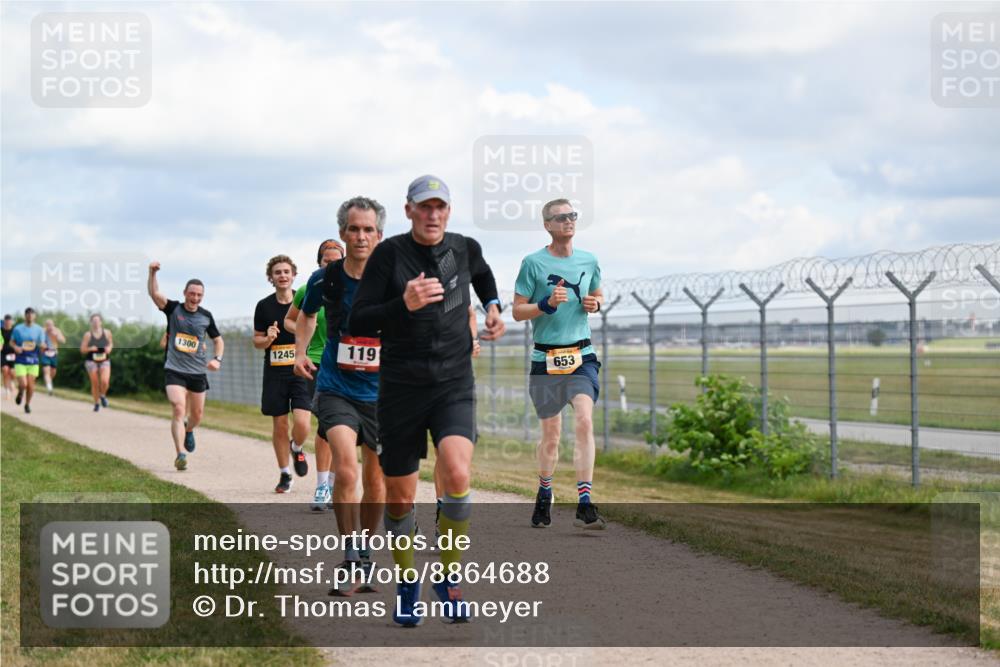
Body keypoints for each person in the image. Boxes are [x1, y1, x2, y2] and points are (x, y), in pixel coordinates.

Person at [350, 175, 506, 626]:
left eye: (440, 207)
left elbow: (482, 276)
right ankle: (406, 583)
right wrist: (404, 303)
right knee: (399, 498)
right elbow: (361, 319)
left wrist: (493, 306)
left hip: (453, 382)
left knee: (457, 472)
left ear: (449, 212)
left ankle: (449, 576)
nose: (433, 214)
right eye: (424, 207)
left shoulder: (464, 247)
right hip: (400, 388)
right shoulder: (388, 255)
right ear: (409, 211)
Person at [294, 197, 389, 596]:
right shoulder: (325, 278)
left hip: (384, 392)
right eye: (354, 229)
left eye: (368, 229)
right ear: (342, 233)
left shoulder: (394, 277)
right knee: (346, 467)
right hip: (336, 387)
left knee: (377, 477)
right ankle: (350, 556)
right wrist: (300, 352)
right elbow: (306, 315)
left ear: (380, 235)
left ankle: (365, 552)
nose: (361, 236)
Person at [512, 199, 606, 530]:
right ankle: (545, 490)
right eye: (561, 217)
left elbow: (596, 294)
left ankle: (584, 501)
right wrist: (546, 303)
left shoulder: (589, 259)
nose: (568, 221)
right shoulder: (533, 263)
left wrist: (595, 304)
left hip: (581, 356)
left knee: (584, 421)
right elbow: (518, 311)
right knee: (551, 437)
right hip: (546, 358)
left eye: (572, 216)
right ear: (548, 225)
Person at [285, 239, 345, 510]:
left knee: (338, 429)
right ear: (319, 262)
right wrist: (302, 344)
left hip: (347, 364)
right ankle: (322, 486)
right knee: (322, 426)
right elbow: (292, 318)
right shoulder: (312, 287)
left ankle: (332, 484)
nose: (331, 265)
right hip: (316, 362)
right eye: (326, 261)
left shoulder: (355, 286)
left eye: (336, 261)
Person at [147, 262, 224, 470]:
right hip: (174, 369)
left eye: (199, 295)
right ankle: (180, 453)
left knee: (197, 415)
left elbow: (218, 340)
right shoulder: (173, 309)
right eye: (192, 294)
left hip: (198, 372)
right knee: (178, 407)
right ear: (185, 293)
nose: (195, 298)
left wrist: (217, 359)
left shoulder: (206, 317)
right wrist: (152, 273)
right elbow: (154, 294)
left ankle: (189, 431)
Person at [254, 255, 312, 493]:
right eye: (277, 272)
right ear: (271, 277)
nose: (282, 275)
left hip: (300, 370)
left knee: (302, 422)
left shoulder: (305, 301)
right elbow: (256, 342)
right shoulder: (264, 306)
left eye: (286, 271)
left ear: (293, 275)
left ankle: (297, 447)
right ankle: (285, 474)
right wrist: (267, 339)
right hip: (275, 372)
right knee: (279, 423)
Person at [11, 307, 46, 413]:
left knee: (31, 385)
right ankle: (20, 392)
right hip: (20, 360)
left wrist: (42, 346)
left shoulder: (39, 330)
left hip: (33, 360)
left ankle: (27, 404)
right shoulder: (18, 328)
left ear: (35, 316)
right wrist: (16, 347)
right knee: (23, 384)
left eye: (32, 314)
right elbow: (12, 342)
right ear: (25, 315)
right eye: (28, 314)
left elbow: (42, 344)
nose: (30, 315)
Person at [80, 314, 114, 411]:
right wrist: (90, 348)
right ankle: (96, 403)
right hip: (91, 361)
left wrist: (109, 348)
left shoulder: (107, 333)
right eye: (94, 321)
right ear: (91, 323)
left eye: (97, 321)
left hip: (104, 360)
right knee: (95, 383)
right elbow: (82, 349)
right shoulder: (88, 335)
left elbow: (111, 343)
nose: (96, 323)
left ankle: (102, 396)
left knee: (105, 381)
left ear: (101, 322)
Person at [40, 319, 66, 395]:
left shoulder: (57, 331)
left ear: (53, 325)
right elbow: (37, 340)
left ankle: (48, 382)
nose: (49, 327)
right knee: (46, 371)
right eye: (48, 325)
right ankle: (49, 388)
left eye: (51, 325)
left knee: (53, 372)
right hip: (45, 353)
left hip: (54, 353)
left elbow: (63, 341)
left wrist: (57, 336)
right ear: (45, 326)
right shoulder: (42, 331)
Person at [2, 315, 16, 400]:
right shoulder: (1, 330)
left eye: (9, 320)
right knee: (5, 370)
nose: (7, 322)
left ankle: (12, 382)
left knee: (12, 372)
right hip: (2, 353)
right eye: (6, 320)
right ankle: (7, 392)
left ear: (11, 322)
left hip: (13, 353)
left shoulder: (15, 331)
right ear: (4, 321)